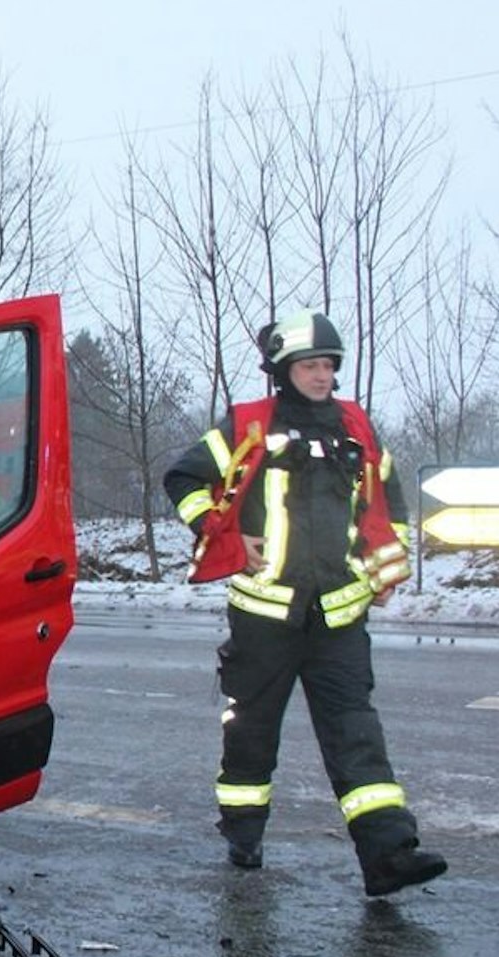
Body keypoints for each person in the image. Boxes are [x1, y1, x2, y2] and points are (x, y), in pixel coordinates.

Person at [163, 309, 446, 897]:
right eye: (310, 365)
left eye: (328, 365)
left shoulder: (356, 428)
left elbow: (388, 503)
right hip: (265, 615)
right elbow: (184, 480)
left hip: (340, 615)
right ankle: (243, 832)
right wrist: (226, 533)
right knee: (251, 731)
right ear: (284, 369)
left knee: (356, 732)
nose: (321, 375)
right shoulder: (248, 425)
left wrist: (382, 560)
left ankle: (389, 855)